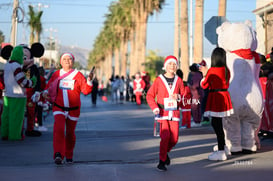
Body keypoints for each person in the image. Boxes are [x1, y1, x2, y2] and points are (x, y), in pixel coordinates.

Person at [43, 53, 93, 165]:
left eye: (69, 59)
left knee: (70, 133)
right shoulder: (56, 74)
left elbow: (85, 90)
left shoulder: (78, 75)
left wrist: (89, 81)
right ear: (61, 62)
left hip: (73, 109)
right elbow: (49, 86)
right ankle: (58, 154)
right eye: (64, 59)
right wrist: (45, 93)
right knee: (59, 129)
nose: (67, 61)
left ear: (73, 61)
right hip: (58, 107)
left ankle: (69, 155)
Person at [146, 55, 185, 171]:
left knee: (174, 139)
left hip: (175, 113)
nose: (172, 66)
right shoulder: (159, 80)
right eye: (170, 64)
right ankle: (161, 161)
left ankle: (165, 153)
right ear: (165, 66)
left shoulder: (179, 81)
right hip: (162, 113)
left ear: (177, 66)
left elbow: (185, 97)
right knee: (165, 137)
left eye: (174, 64)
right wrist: (154, 108)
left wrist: (178, 97)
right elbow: (149, 95)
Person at [199, 47, 233, 161]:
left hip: (216, 98)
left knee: (216, 125)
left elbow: (204, 85)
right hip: (225, 96)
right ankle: (223, 147)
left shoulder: (212, 70)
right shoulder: (226, 69)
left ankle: (221, 151)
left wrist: (204, 74)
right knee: (221, 124)